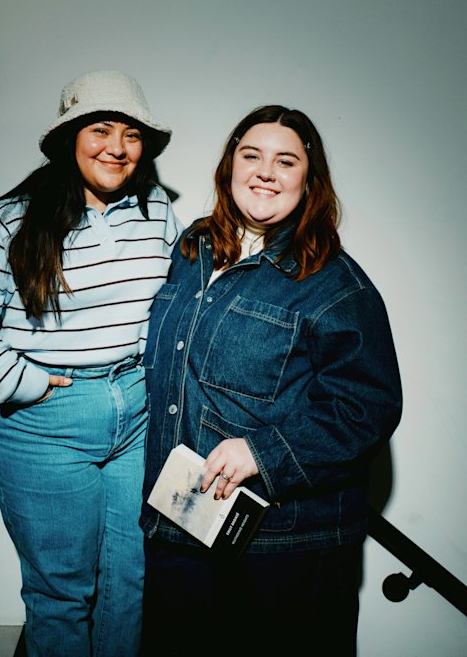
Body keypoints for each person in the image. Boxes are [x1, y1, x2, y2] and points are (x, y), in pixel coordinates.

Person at [139, 104, 403, 657]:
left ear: (309, 183)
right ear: (229, 166)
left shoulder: (335, 284)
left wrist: (265, 451)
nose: (265, 171)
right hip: (182, 530)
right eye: (251, 155)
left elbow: (369, 407)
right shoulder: (191, 250)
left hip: (285, 550)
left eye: (286, 161)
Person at [0, 70, 181, 657]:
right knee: (62, 591)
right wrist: (22, 383)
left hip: (137, 414)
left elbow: (173, 305)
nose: (116, 148)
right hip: (48, 423)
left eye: (130, 134)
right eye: (100, 129)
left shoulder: (158, 212)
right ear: (70, 136)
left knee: (131, 580)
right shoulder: (13, 218)